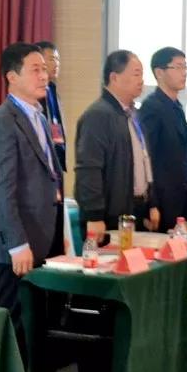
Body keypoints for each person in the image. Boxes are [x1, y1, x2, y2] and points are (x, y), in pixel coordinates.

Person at [0, 42, 62, 345]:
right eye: (35, 70)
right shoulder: (1, 122)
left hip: (40, 235)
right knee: (14, 329)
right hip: (14, 246)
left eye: (45, 69)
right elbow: (2, 190)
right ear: (12, 77)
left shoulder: (38, 116)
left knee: (37, 326)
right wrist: (16, 244)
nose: (44, 76)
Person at [74, 51, 158, 240]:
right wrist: (94, 216)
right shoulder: (97, 115)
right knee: (102, 258)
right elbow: (88, 169)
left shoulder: (133, 114)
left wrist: (152, 203)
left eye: (142, 74)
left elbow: (145, 160)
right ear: (114, 77)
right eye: (136, 74)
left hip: (136, 210)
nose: (141, 80)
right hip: (107, 217)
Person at [139, 47, 187, 228]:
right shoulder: (152, 107)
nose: (184, 72)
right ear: (159, 72)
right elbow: (146, 159)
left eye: (185, 67)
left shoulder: (175, 106)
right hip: (163, 202)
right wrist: (151, 205)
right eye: (178, 67)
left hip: (181, 198)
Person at [36, 40, 67, 171]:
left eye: (58, 60)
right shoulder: (35, 93)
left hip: (57, 157)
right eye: (52, 59)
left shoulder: (53, 91)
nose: (57, 64)